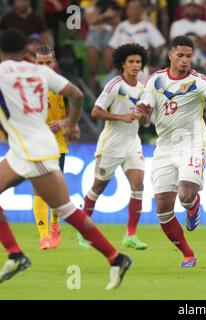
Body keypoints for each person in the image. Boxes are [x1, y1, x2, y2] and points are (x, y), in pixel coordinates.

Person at [0, 29, 131, 289]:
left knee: (66, 210)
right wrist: (71, 124)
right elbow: (77, 95)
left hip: (33, 152)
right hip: (28, 148)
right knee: (66, 210)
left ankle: (116, 258)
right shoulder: (43, 72)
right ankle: (15, 254)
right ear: (25, 50)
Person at [139, 36, 206, 268]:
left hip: (191, 143)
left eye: (189, 56)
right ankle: (187, 254)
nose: (185, 60)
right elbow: (146, 112)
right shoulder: (154, 81)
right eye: (181, 55)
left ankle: (193, 205)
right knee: (163, 209)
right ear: (170, 55)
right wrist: (142, 113)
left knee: (185, 195)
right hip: (164, 147)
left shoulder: (198, 81)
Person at [77, 43, 149, 251]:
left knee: (138, 186)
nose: (135, 65)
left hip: (132, 142)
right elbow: (96, 112)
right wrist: (121, 116)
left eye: (138, 62)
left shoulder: (143, 89)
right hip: (111, 143)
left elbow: (143, 121)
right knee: (97, 188)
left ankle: (131, 235)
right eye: (131, 62)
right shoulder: (114, 86)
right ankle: (84, 231)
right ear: (123, 64)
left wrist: (143, 117)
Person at [32, 45, 68, 250]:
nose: (45, 66)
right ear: (34, 63)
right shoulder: (26, 86)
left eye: (48, 62)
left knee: (55, 191)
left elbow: (74, 117)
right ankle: (43, 236)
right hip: (35, 145)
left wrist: (63, 124)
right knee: (38, 189)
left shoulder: (64, 87)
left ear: (54, 62)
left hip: (58, 145)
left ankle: (55, 224)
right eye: (40, 63)